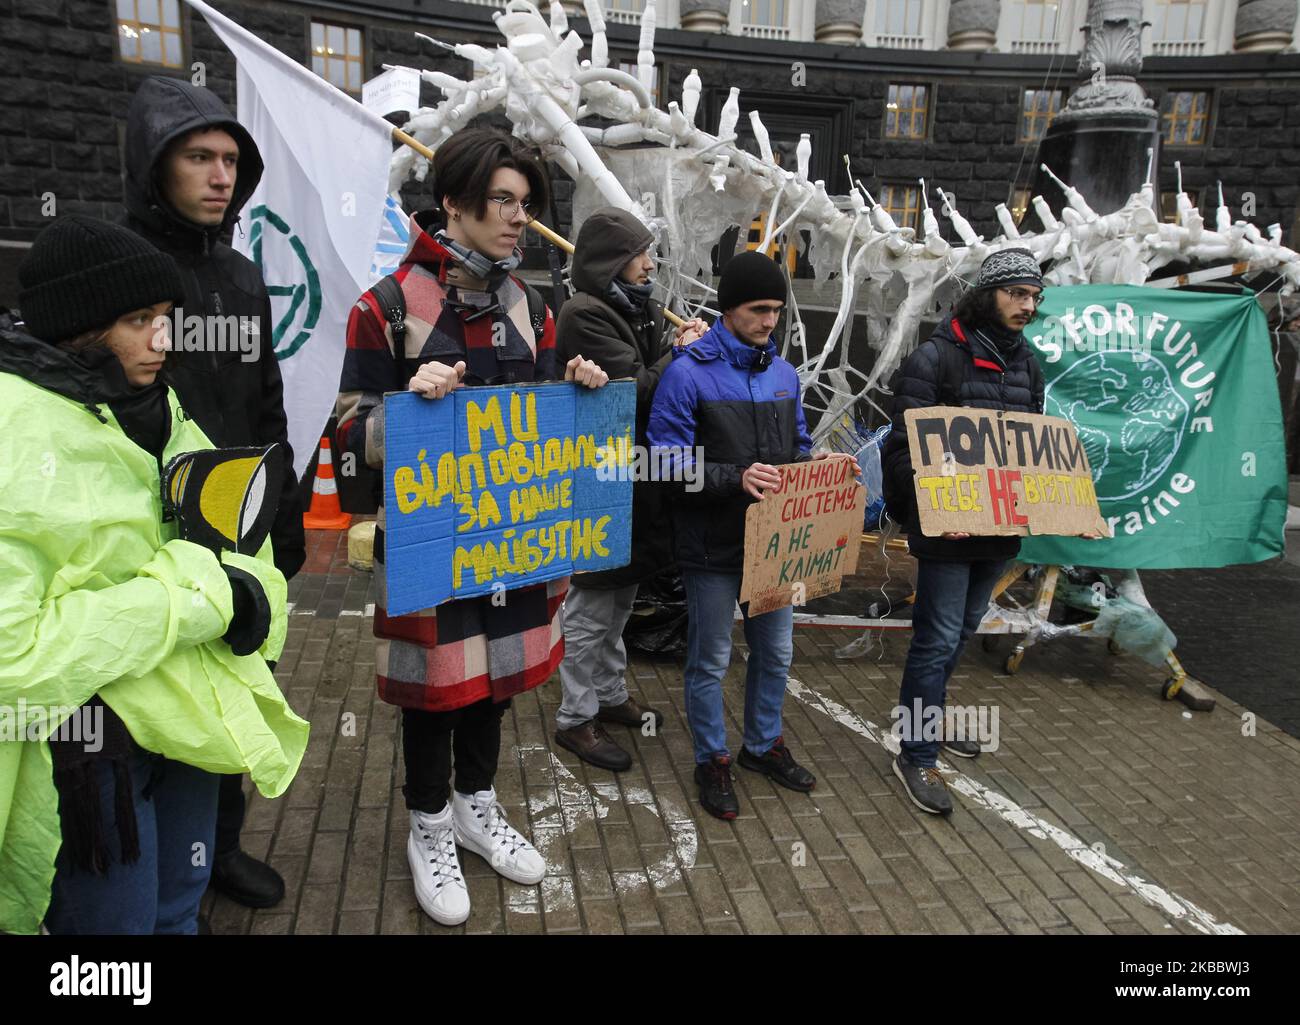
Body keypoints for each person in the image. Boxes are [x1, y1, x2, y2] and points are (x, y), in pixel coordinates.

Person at [0, 215, 307, 935]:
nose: (164, 341)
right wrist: (195, 598)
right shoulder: (15, 432)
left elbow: (231, 526)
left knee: (179, 907)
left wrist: (258, 604)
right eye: (139, 320)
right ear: (78, 326)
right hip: (87, 751)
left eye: (166, 319)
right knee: (116, 934)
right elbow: (13, 656)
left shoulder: (153, 402)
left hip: (183, 723)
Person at [335, 128, 609, 926]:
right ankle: (428, 824)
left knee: (494, 683)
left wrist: (581, 390)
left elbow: (548, 425)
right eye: (501, 202)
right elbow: (347, 447)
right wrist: (401, 410)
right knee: (434, 693)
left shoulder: (534, 307)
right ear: (452, 202)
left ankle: (475, 804)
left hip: (510, 541)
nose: (518, 219)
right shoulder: (384, 309)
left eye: (526, 205)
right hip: (428, 546)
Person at [122, 75, 305, 908]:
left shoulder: (241, 276)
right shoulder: (120, 265)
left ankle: (218, 847)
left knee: (239, 685)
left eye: (231, 159)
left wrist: (287, 503)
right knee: (153, 714)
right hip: (150, 536)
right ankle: (157, 875)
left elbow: (266, 399)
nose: (220, 174)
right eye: (199, 156)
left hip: (242, 526)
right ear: (155, 165)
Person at [646, 250, 823, 821]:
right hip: (712, 547)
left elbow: (796, 447)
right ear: (729, 309)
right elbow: (663, 464)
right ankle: (711, 757)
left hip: (776, 547)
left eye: (776, 309)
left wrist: (821, 468)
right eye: (758, 309)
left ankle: (762, 745)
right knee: (710, 658)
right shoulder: (687, 372)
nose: (770, 320)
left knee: (776, 652)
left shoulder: (783, 373)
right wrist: (734, 477)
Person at [881, 248, 1052, 815]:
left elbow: (1032, 455)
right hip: (948, 534)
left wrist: (1057, 503)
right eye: (1017, 294)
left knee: (959, 636)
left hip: (998, 532)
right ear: (987, 295)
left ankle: (924, 718)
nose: (1028, 305)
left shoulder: (1028, 365)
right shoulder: (935, 360)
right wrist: (935, 513)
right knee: (934, 640)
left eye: (1034, 296)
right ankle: (917, 752)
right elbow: (903, 449)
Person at [552, 207, 705, 771]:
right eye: (639, 253)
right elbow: (635, 391)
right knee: (592, 601)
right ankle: (575, 716)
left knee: (622, 595)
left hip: (633, 477)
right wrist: (681, 354)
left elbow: (656, 369)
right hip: (598, 479)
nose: (649, 264)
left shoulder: (631, 309)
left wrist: (675, 345)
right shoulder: (584, 315)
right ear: (612, 261)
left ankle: (609, 693)